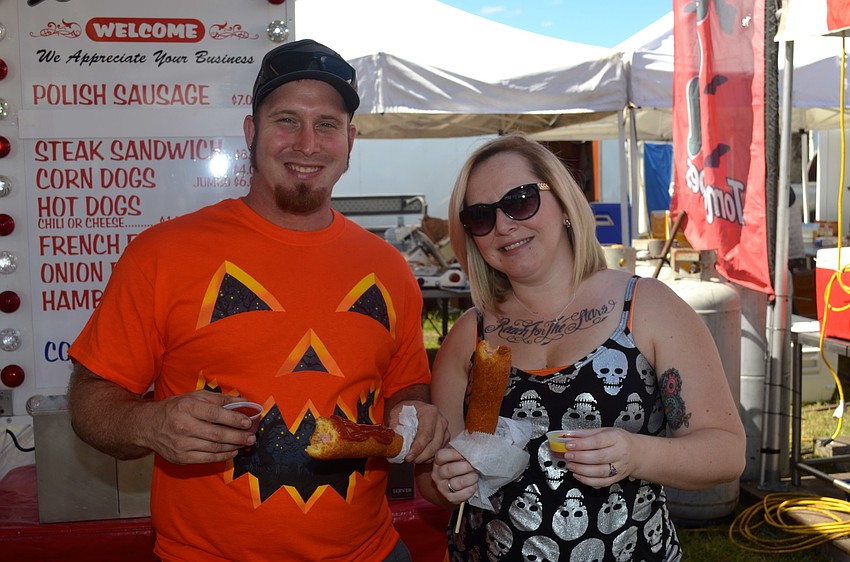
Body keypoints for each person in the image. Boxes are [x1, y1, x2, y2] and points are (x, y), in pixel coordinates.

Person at [67, 39, 449, 562]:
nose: (308, 143)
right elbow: (92, 398)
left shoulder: (387, 268)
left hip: (371, 552)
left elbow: (407, 386)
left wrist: (416, 415)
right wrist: (147, 423)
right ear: (252, 133)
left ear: (350, 140)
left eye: (328, 124)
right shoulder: (164, 253)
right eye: (287, 120)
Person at [414, 133, 746, 561]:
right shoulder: (469, 335)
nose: (503, 225)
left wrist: (636, 453)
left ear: (565, 205)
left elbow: (726, 452)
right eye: (480, 216)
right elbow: (432, 477)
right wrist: (445, 482)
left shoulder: (647, 308)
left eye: (520, 200)